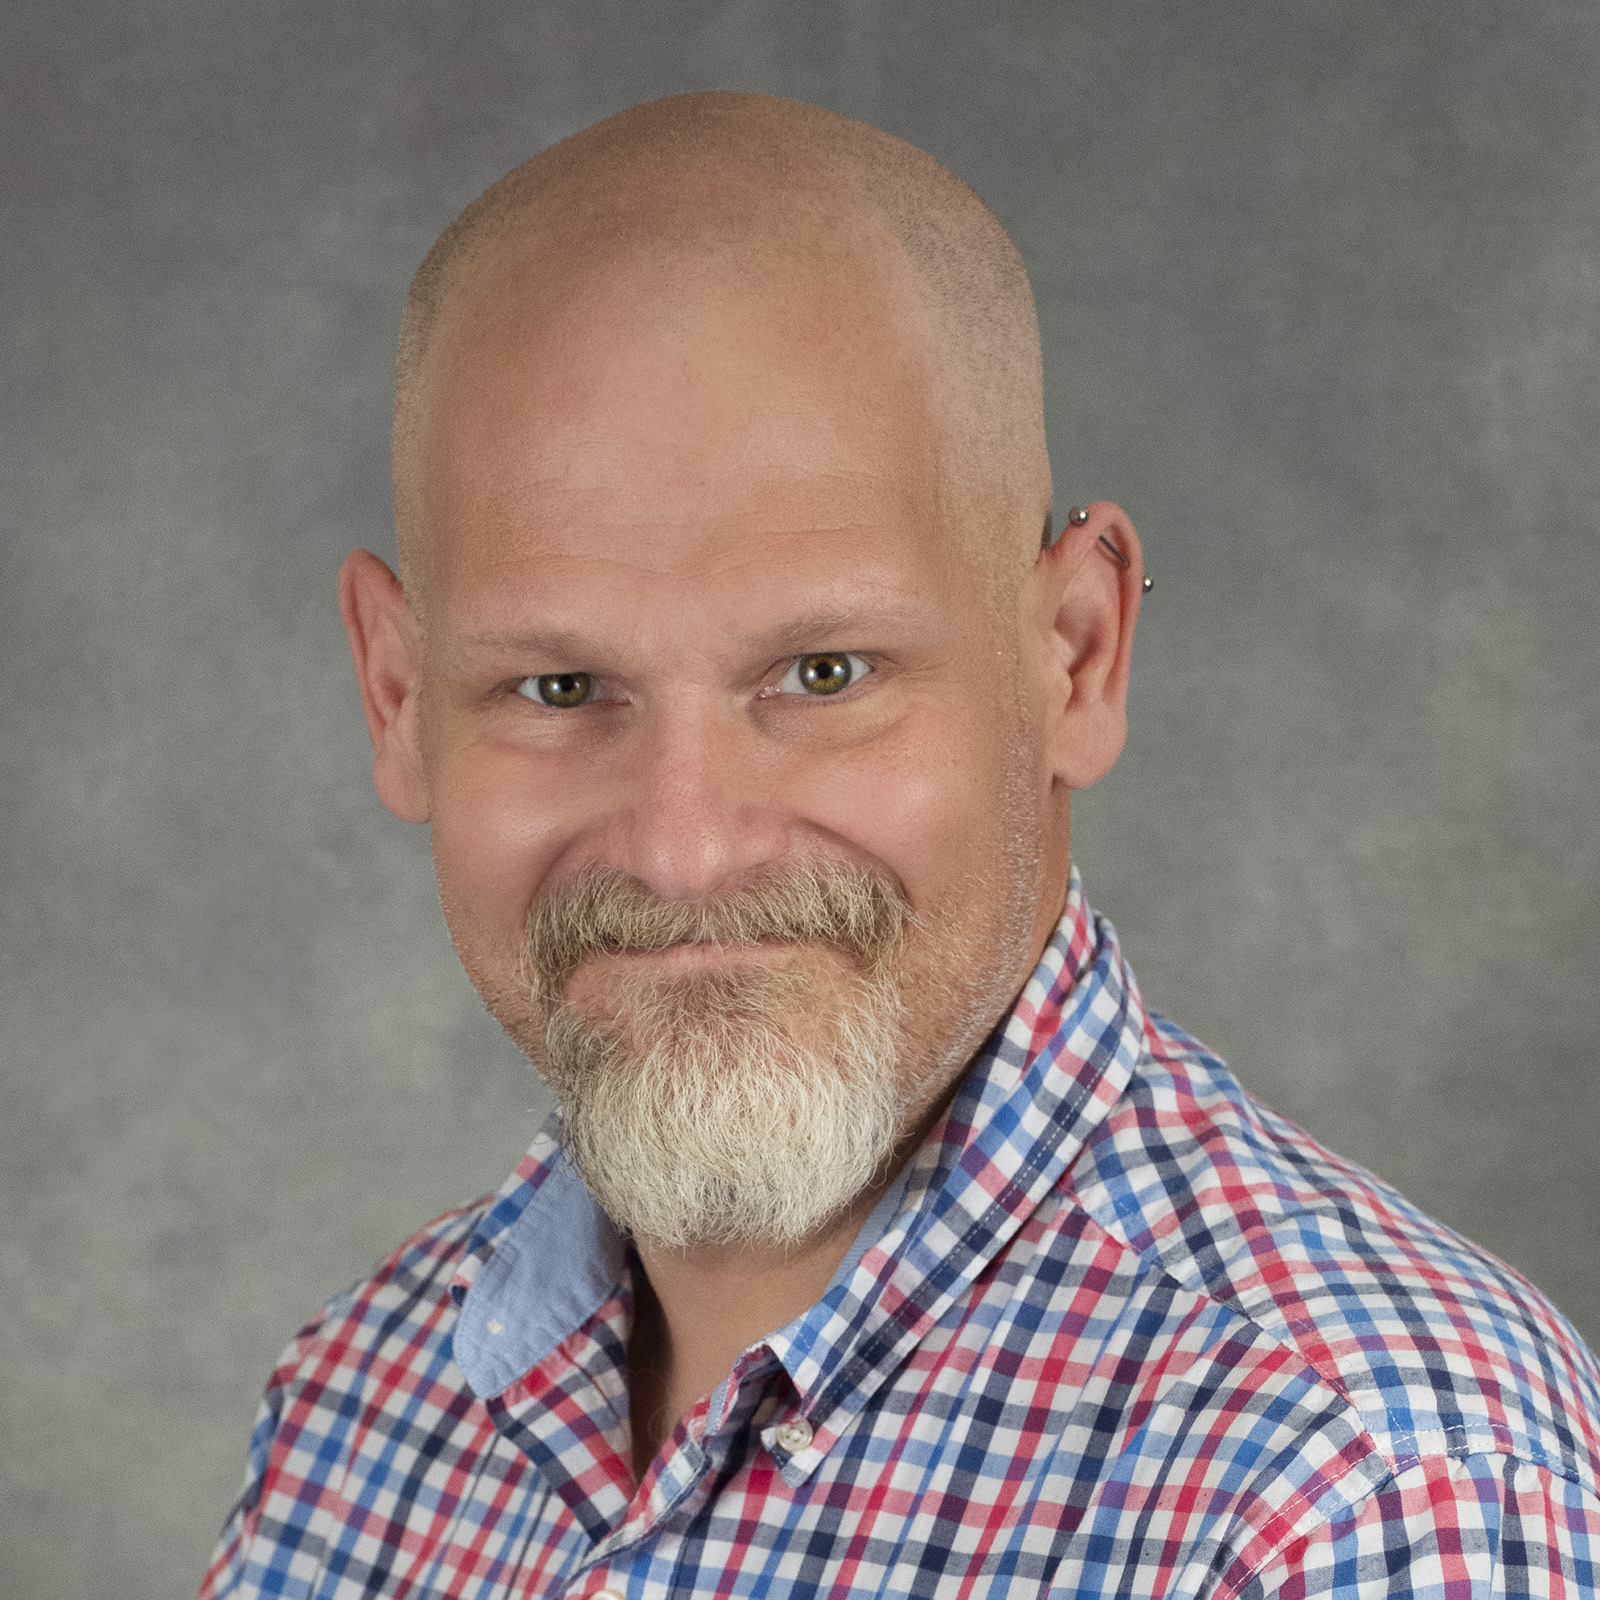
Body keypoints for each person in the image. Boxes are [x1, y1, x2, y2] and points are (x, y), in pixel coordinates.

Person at [201, 92, 1600, 1600]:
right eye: (558, 688)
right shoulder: (360, 1406)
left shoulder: (1360, 1491)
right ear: (399, 696)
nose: (686, 847)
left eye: (822, 677)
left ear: (1076, 656)